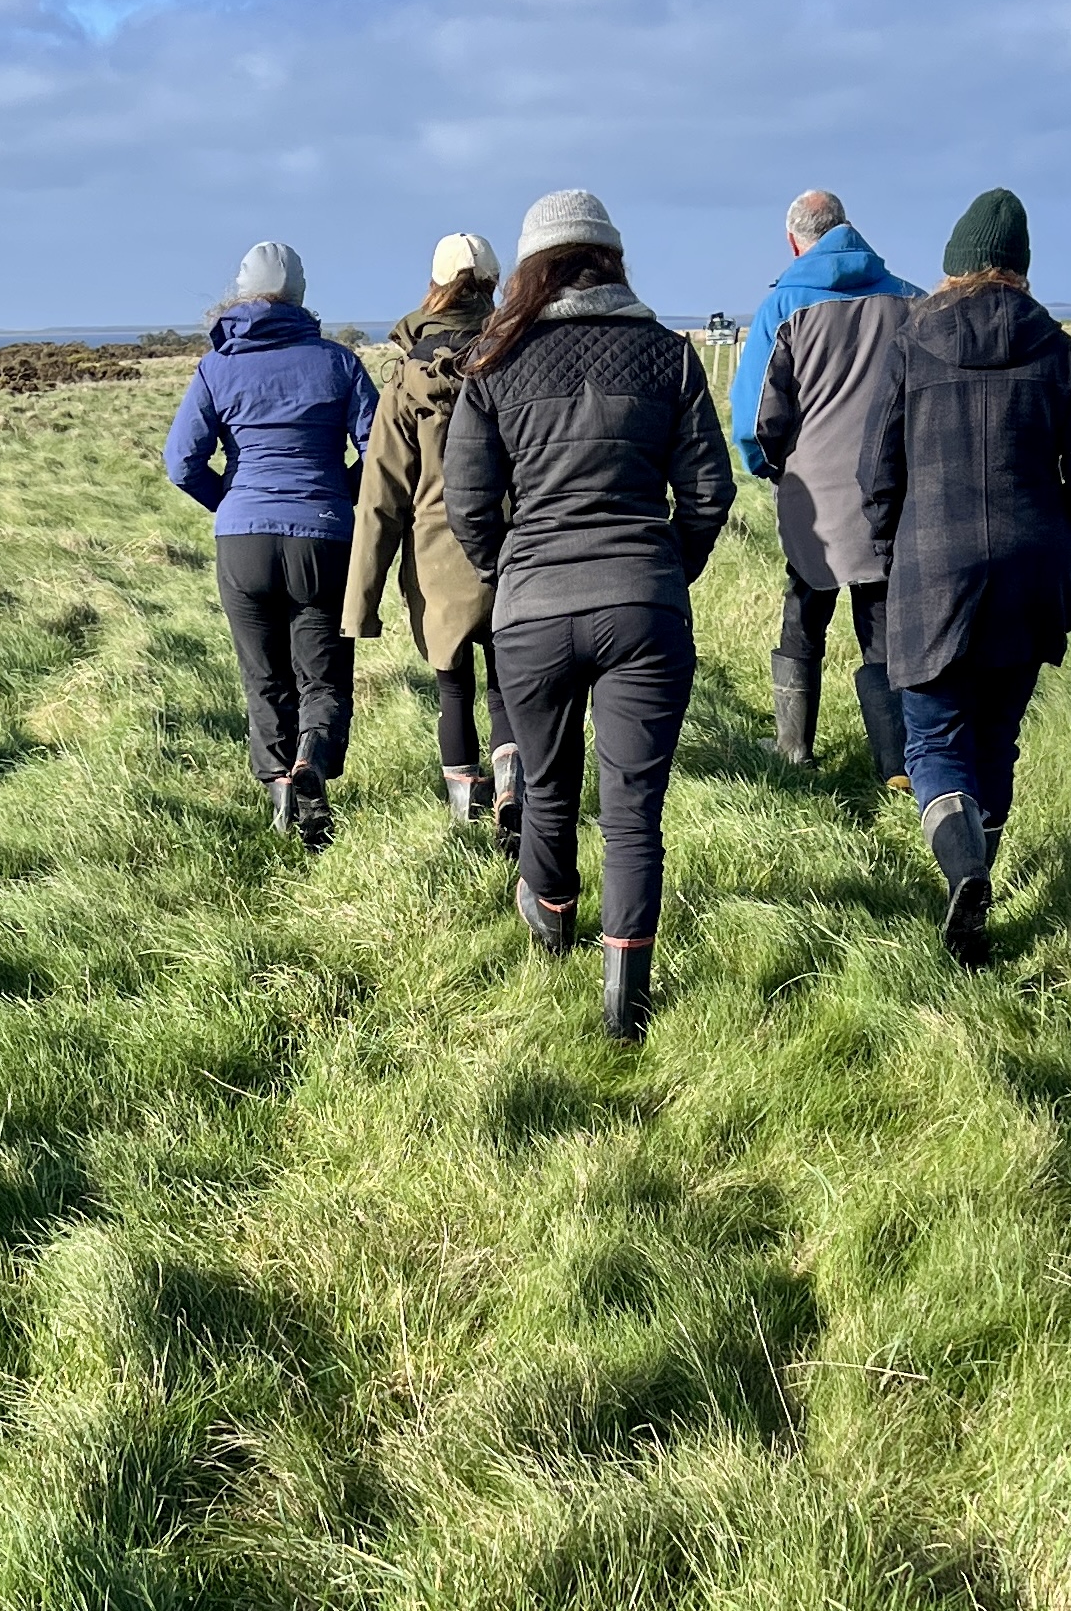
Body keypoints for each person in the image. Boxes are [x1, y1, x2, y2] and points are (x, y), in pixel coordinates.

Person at [444, 186, 735, 1041]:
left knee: (545, 783)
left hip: (532, 607)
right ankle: (624, 1002)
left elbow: (467, 501)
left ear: (530, 268)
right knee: (634, 806)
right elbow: (710, 491)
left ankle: (553, 927)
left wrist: (511, 572)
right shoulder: (668, 355)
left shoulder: (493, 362)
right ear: (610, 259)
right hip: (643, 603)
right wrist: (665, 570)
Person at [859, 185, 1071, 969]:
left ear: (954, 266)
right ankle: (977, 882)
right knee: (997, 736)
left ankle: (964, 872)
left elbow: (878, 471)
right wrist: (1065, 541)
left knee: (934, 735)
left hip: (932, 565)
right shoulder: (1058, 347)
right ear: (1022, 268)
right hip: (1032, 570)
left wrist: (889, 548)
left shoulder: (911, 339)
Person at [162, 241, 376, 849]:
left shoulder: (217, 366)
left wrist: (228, 500)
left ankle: (284, 800)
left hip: (243, 538)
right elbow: (383, 449)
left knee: (264, 677)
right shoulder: (339, 363)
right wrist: (340, 490)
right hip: (323, 535)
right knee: (323, 676)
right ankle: (314, 760)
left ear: (241, 293)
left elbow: (181, 463)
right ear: (301, 297)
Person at [729, 188, 920, 774]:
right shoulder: (910, 301)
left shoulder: (783, 307)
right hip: (895, 494)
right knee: (884, 628)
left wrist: (771, 468)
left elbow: (755, 417)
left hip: (814, 495)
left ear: (794, 240)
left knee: (804, 618)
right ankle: (897, 766)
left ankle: (794, 750)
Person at [343, 231, 522, 841]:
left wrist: (360, 606)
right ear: (494, 283)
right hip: (509, 546)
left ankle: (463, 816)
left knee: (452, 689)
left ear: (435, 287)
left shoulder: (407, 379)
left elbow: (381, 498)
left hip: (436, 556)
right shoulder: (516, 354)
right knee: (506, 689)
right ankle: (512, 795)